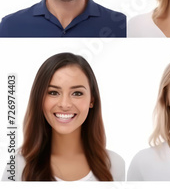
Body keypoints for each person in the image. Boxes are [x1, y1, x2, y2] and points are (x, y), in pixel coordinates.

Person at [1, 53, 125, 181]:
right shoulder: (17, 167)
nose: (65, 104)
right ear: (39, 99)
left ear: (91, 100)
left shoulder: (114, 165)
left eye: (77, 93)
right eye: (53, 92)